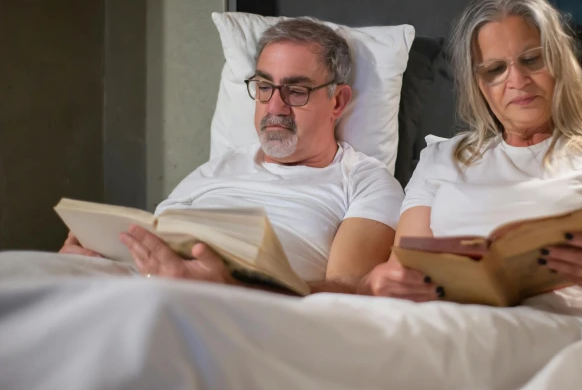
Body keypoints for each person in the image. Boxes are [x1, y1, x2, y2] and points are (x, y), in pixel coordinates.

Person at [362, 0, 582, 343]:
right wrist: (377, 283)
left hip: (574, 344)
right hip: (454, 340)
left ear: (559, 60)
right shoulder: (441, 160)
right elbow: (401, 272)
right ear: (478, 84)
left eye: (531, 60)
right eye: (494, 69)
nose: (517, 81)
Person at [60, 18, 404, 294]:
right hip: (136, 287)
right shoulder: (218, 168)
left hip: (231, 312)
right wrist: (93, 258)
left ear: (338, 102)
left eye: (296, 91)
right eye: (265, 87)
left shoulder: (366, 182)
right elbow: (154, 240)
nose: (274, 107)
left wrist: (230, 286)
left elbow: (347, 292)